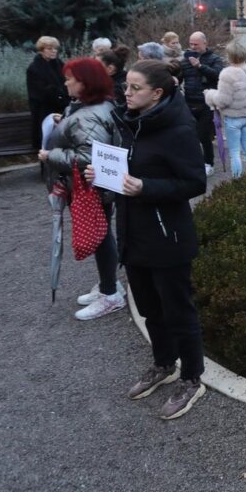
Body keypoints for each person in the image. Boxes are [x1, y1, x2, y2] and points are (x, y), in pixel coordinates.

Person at [86, 59, 208, 420]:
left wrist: (146, 187)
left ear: (157, 93)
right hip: (133, 233)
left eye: (134, 88)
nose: (126, 92)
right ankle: (163, 363)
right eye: (126, 86)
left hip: (167, 237)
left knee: (178, 310)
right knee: (150, 309)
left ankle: (191, 378)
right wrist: (103, 175)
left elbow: (194, 182)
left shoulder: (179, 129)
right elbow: (127, 169)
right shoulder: (131, 123)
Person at [40, 58, 124, 320]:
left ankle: (111, 293)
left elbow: (88, 157)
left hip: (91, 185)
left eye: (70, 78)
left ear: (84, 83)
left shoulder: (90, 115)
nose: (65, 82)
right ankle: (109, 285)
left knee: (100, 236)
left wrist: (50, 155)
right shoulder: (90, 108)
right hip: (91, 185)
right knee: (102, 235)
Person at [204, 41, 246, 178]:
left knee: (235, 152)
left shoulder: (227, 74)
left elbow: (222, 101)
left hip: (233, 118)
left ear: (229, 55)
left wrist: (209, 94)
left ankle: (238, 180)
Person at [180, 31, 226, 176]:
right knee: (189, 134)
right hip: (189, 101)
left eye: (196, 44)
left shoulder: (214, 58)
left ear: (205, 43)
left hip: (207, 103)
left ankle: (208, 163)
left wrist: (200, 66)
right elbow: (181, 76)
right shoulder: (186, 59)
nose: (193, 47)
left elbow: (218, 75)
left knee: (204, 135)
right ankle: (193, 162)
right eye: (191, 44)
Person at [26, 36, 70, 155]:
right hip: (44, 112)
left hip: (62, 109)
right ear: (41, 50)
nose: (54, 51)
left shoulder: (60, 65)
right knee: (48, 143)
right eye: (50, 48)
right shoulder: (34, 68)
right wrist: (59, 95)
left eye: (55, 48)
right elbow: (40, 92)